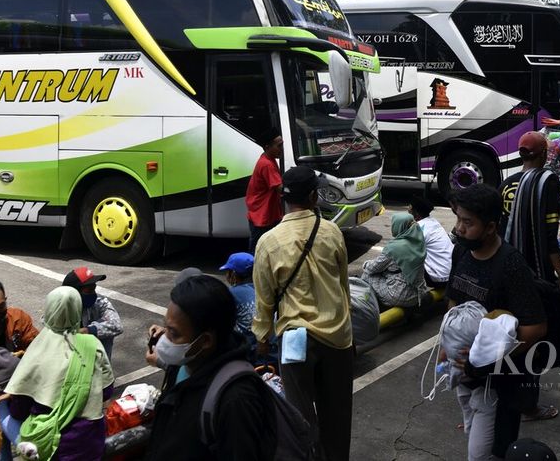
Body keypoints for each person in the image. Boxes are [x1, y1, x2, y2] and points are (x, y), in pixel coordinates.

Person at [252, 165, 353, 461]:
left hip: (294, 339)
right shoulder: (332, 232)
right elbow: (343, 285)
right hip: (336, 336)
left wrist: (262, 337)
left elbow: (264, 300)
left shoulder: (268, 242)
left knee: (299, 418)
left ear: (285, 198)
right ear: (313, 196)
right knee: (337, 416)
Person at [445, 184, 547, 460]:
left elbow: (536, 328)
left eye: (468, 222)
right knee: (474, 436)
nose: (459, 228)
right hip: (466, 377)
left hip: (501, 386)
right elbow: (453, 299)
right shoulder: (462, 252)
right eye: (458, 219)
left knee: (486, 454)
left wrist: (487, 362)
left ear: (490, 227)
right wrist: (448, 344)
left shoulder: (511, 265)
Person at [146, 275, 276, 461]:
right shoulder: (185, 363)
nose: (165, 339)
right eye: (166, 328)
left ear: (205, 340)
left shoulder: (237, 399)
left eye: (174, 333)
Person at [499, 130, 560, 423]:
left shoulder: (507, 183)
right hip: (534, 275)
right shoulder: (546, 182)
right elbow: (549, 238)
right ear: (543, 154)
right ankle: (528, 406)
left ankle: (502, 395)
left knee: (507, 337)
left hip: (506, 270)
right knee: (534, 342)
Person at [4, 286, 115, 460]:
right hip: (90, 442)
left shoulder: (38, 348)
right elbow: (106, 391)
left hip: (51, 446)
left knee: (0, 408)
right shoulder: (92, 344)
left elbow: (19, 409)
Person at [362, 212, 428, 308]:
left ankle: (369, 308)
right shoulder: (419, 241)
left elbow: (372, 268)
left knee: (367, 275)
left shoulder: (394, 248)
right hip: (418, 292)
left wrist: (365, 264)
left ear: (399, 226)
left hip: (401, 295)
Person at [62, 266, 124, 360]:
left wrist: (89, 330)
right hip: (69, 360)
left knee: (105, 332)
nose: (93, 293)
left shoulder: (100, 303)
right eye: (89, 290)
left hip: (96, 361)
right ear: (75, 292)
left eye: (94, 289)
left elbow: (117, 325)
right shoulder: (60, 308)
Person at [246, 129, 284, 252]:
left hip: (266, 214)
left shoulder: (268, 159)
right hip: (262, 217)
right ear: (268, 147)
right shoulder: (267, 164)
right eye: (279, 146)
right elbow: (280, 188)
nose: (281, 149)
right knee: (258, 253)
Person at [409, 195, 453, 288]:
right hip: (451, 276)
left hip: (437, 279)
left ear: (416, 212)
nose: (408, 210)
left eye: (410, 207)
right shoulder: (433, 222)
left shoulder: (419, 228)